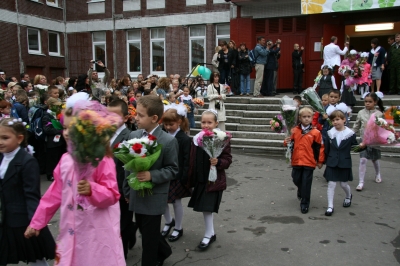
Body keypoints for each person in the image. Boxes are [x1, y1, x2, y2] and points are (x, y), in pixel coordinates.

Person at [25, 104, 125, 265]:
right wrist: (38, 222)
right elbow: (55, 193)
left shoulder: (102, 160)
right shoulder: (66, 159)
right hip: (71, 229)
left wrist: (93, 189)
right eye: (64, 127)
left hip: (96, 232)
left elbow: (112, 195)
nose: (67, 133)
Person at [124, 95, 179, 266]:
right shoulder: (134, 134)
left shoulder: (168, 141)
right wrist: (127, 190)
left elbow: (173, 169)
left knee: (148, 239)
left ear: (154, 118)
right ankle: (164, 250)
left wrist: (152, 176)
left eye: (140, 115)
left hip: (154, 196)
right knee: (145, 229)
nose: (135, 117)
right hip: (136, 193)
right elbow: (128, 165)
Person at [0, 118, 55, 266]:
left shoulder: (27, 162)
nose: (1, 142)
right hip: (5, 218)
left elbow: (32, 195)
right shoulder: (1, 158)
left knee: (34, 257)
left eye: (5, 138)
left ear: (19, 138)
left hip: (22, 220)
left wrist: (34, 222)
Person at [188, 109, 232, 250]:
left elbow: (227, 159)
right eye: (203, 122)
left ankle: (208, 235)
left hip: (213, 180)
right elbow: (193, 158)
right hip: (201, 178)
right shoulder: (197, 138)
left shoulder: (221, 138)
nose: (206, 125)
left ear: (216, 123)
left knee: (207, 208)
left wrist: (218, 162)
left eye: (209, 122)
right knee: (204, 208)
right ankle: (210, 233)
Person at [107, 99, 137, 258]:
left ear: (125, 118)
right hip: (106, 189)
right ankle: (131, 230)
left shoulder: (129, 137)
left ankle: (121, 255)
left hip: (121, 187)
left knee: (122, 223)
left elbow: (130, 167)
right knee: (111, 222)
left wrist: (127, 191)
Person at [284, 107, 324, 214]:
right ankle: (301, 191)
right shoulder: (294, 130)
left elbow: (320, 147)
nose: (306, 119)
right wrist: (286, 141)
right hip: (296, 160)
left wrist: (320, 161)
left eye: (309, 117)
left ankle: (305, 203)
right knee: (296, 178)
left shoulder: (316, 132)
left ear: (312, 118)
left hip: (309, 161)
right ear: (300, 118)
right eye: (304, 117)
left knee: (306, 182)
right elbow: (289, 143)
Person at [161, 107, 192, 242]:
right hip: (163, 173)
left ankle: (178, 227)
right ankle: (169, 221)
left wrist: (184, 176)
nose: (168, 127)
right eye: (166, 124)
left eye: (171, 124)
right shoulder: (162, 135)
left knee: (176, 202)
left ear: (179, 122)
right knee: (162, 200)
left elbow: (187, 159)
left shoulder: (184, 139)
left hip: (177, 175)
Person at [323, 110, 358, 216]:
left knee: (343, 184)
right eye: (333, 120)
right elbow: (327, 149)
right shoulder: (330, 133)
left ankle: (348, 196)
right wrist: (324, 161)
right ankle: (330, 206)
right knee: (331, 184)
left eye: (337, 119)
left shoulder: (350, 134)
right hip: (332, 161)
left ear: (344, 120)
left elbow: (354, 147)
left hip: (344, 162)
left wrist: (363, 145)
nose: (335, 122)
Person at [352, 92, 384, 191]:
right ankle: (361, 182)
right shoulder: (361, 112)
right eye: (365, 101)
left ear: (375, 102)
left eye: (370, 102)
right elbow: (356, 125)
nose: (367, 103)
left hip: (374, 140)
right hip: (363, 140)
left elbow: (382, 127)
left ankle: (378, 173)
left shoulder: (379, 114)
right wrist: (351, 133)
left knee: (374, 159)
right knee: (363, 160)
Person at [42, 97, 66, 182]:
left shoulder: (57, 114)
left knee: (58, 158)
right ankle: (50, 174)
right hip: (52, 142)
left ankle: (58, 173)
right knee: (51, 159)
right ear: (50, 106)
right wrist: (60, 130)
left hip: (59, 141)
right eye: (55, 106)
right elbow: (47, 129)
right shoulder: (46, 116)